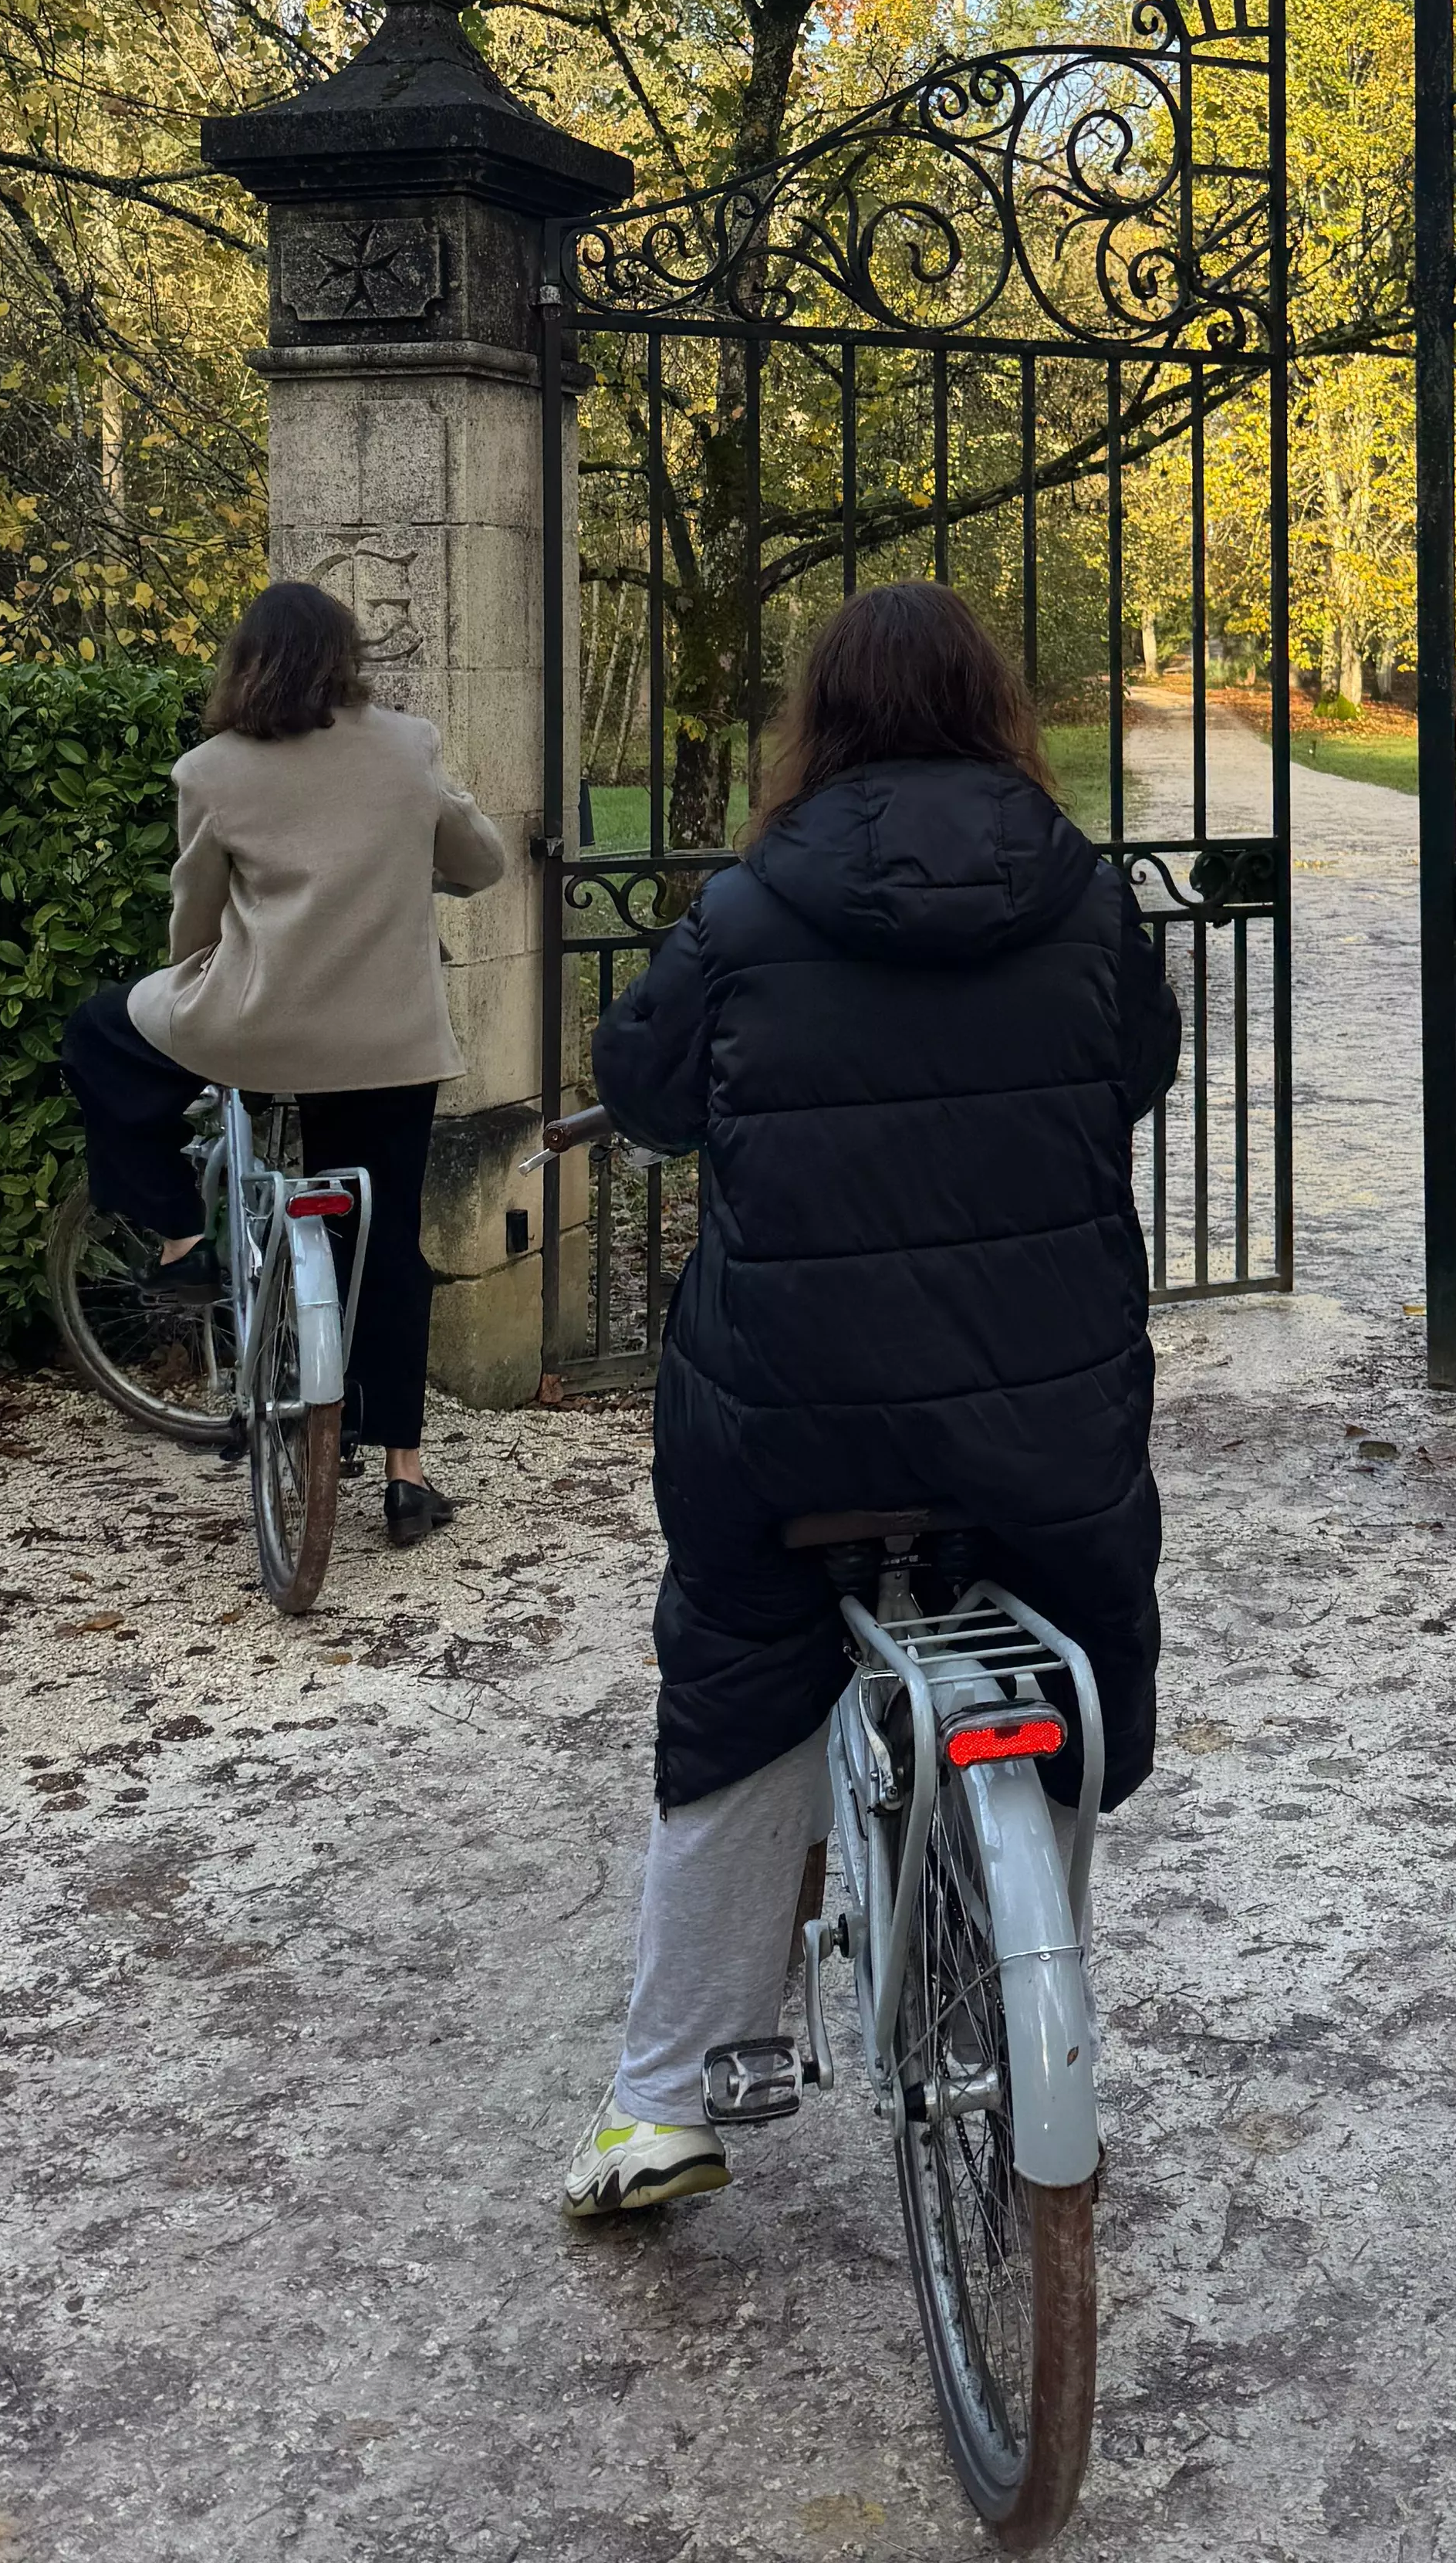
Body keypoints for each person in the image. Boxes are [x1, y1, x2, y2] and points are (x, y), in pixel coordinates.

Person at [558, 577, 1181, 2217]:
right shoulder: (1086, 897)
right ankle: (1043, 2001)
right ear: (997, 708)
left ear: (817, 717)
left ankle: (664, 2098)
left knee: (741, 1669)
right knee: (1067, 1640)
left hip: (793, 1413)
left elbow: (643, 1091)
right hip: (1045, 1411)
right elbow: (1143, 1071)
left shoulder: (750, 906)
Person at [57, 578, 510, 1548]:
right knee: (384, 1241)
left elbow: (193, 917)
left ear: (243, 662)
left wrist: (198, 971)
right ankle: (404, 1473)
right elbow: (480, 866)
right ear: (347, 659)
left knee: (100, 1031)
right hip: (386, 1041)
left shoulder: (211, 768)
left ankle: (183, 1241)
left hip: (255, 1026)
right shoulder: (406, 746)